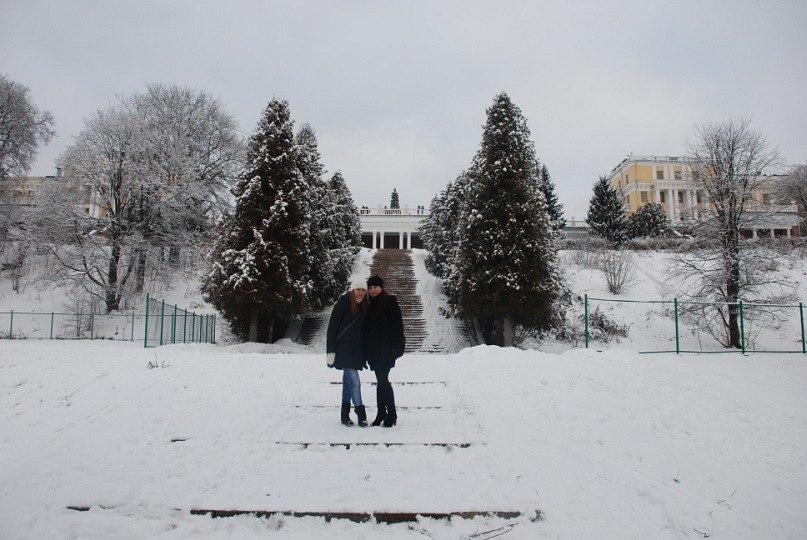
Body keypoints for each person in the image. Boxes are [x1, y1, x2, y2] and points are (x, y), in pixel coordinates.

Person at [326, 276, 369, 427]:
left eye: (363, 290)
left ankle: (344, 415)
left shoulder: (365, 305)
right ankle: (361, 414)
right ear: (352, 289)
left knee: (347, 383)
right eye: (358, 289)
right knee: (355, 382)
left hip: (356, 351)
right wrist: (330, 353)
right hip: (343, 350)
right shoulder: (342, 304)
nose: (360, 293)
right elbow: (332, 329)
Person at [365, 275, 406, 427]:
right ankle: (382, 412)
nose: (372, 290)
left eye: (375, 287)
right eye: (370, 288)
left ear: (381, 287)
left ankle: (391, 414)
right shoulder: (368, 304)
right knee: (381, 381)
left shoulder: (390, 301)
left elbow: (397, 326)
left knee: (383, 381)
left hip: (387, 350)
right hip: (374, 351)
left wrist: (396, 348)